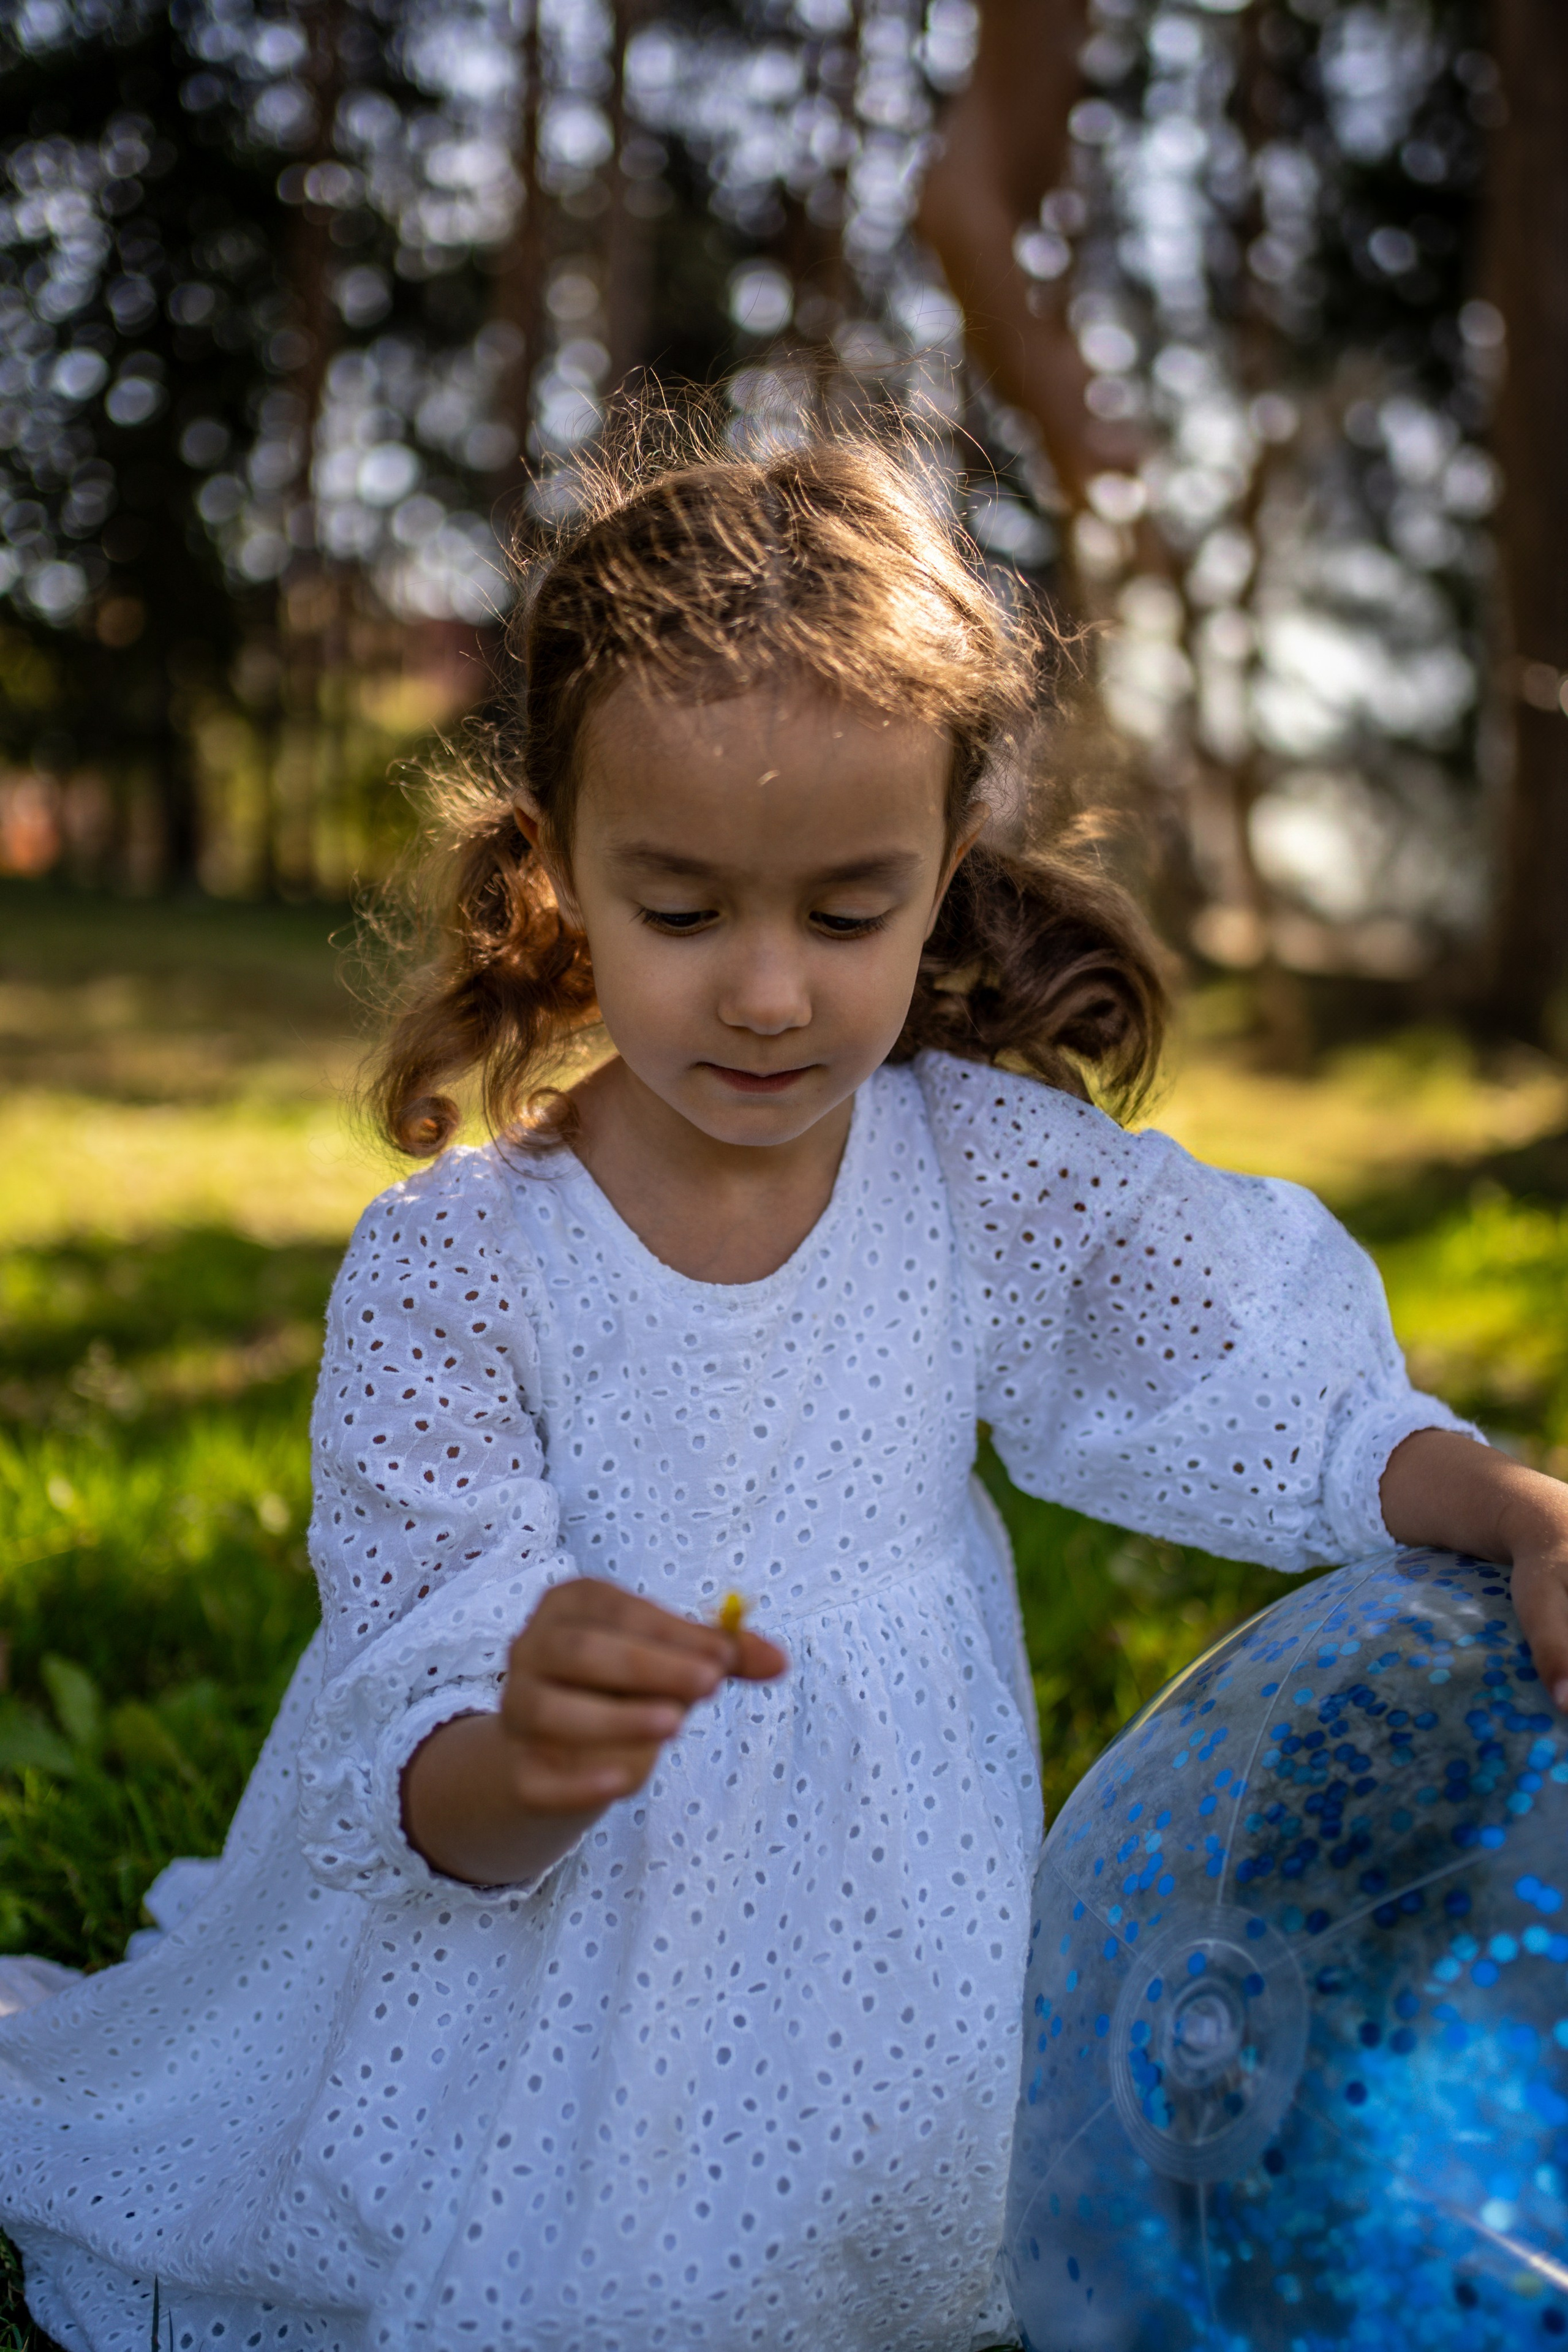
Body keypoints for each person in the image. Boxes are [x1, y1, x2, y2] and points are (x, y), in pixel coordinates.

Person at [3, 427, 1567, 2352]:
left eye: (846, 915)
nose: (767, 994)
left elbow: (1238, 1365)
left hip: (888, 1907)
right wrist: (533, 1756)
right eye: (683, 912)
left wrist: (1504, 1502)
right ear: (561, 871)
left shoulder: (979, 1175)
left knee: (890, 2235)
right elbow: (420, 1719)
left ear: (941, 877)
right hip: (554, 1929)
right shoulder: (460, 1267)